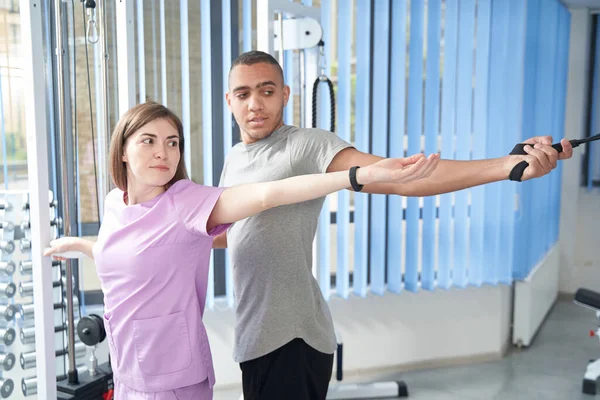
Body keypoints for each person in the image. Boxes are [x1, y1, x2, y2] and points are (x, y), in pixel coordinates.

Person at [215, 50, 574, 400]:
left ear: (285, 94)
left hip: (290, 337)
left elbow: (403, 178)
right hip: (255, 333)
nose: (255, 104)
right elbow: (238, 234)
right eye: (244, 94)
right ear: (230, 100)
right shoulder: (235, 157)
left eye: (266, 91)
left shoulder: (303, 145)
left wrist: (508, 166)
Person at [43, 101, 441, 400]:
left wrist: (356, 176)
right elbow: (126, 256)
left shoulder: (188, 203)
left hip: (171, 379)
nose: (163, 152)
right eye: (148, 141)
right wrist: (79, 244)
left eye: (172, 142)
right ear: (124, 150)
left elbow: (270, 194)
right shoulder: (116, 203)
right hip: (127, 369)